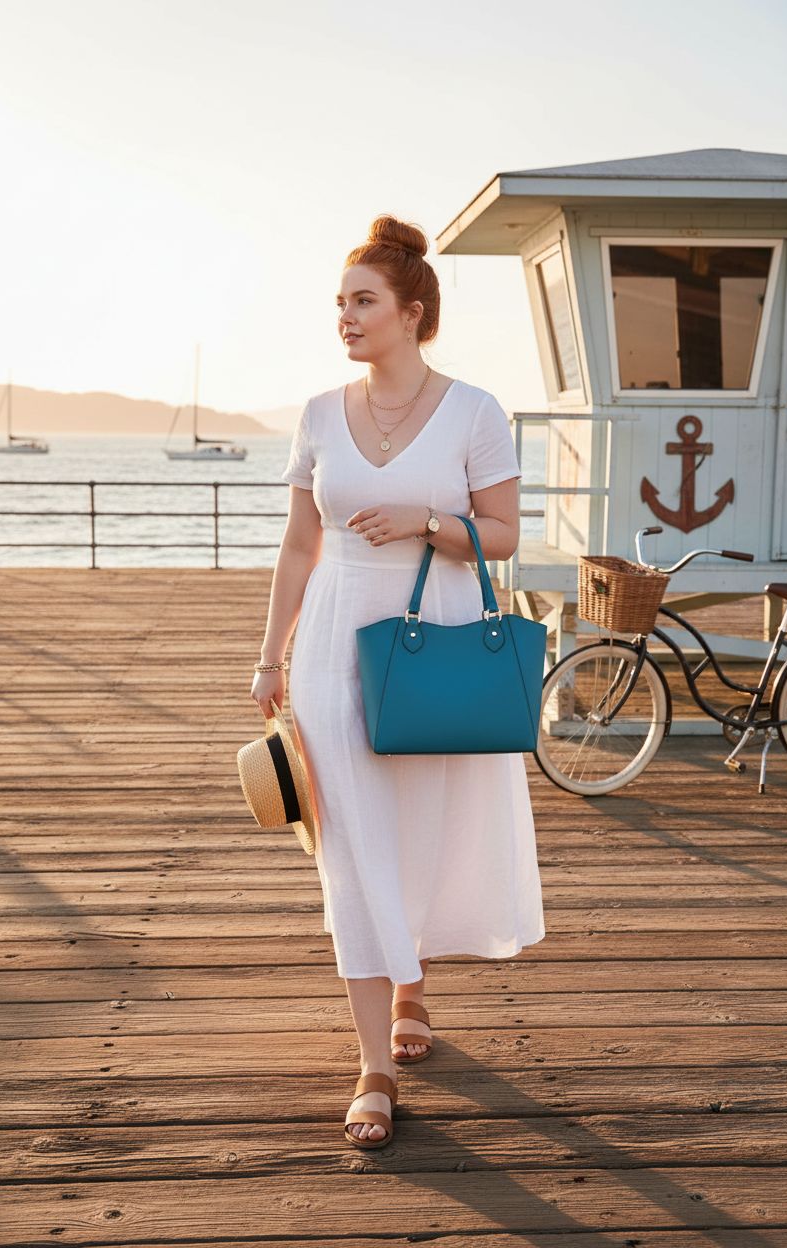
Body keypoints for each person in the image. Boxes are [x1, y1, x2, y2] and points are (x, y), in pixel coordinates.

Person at [252, 214, 544, 1148]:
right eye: (339, 303)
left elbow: (502, 538)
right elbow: (300, 545)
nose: (345, 316)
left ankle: (414, 984)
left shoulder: (475, 411)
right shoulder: (316, 414)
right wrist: (271, 656)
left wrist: (429, 516)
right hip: (336, 640)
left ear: (412, 313)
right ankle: (372, 1065)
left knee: (418, 825)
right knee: (351, 840)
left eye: (363, 301)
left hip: (438, 639)